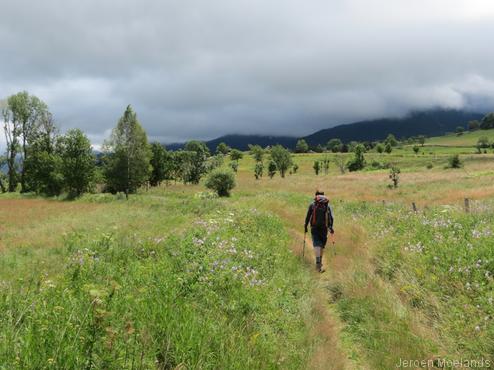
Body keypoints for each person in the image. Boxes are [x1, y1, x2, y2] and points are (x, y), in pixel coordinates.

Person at [304, 190, 334, 272]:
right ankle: (319, 263)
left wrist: (305, 226)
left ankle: (318, 263)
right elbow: (331, 217)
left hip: (314, 228)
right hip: (324, 228)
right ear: (323, 195)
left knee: (317, 244)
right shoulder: (327, 205)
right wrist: (331, 227)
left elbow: (308, 216)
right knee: (322, 246)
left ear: (316, 196)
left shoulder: (312, 205)